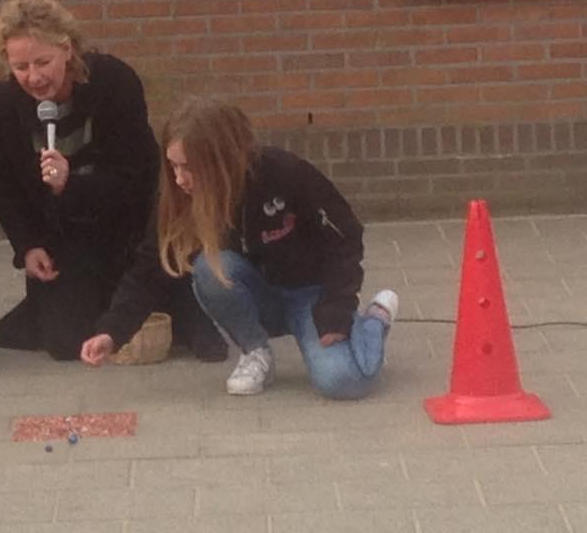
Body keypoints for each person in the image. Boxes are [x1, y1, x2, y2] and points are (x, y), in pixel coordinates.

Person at [81, 98, 399, 400]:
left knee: (342, 381)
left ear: (222, 159)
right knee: (210, 268)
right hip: (256, 296)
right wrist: (112, 331)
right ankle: (255, 351)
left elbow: (345, 238)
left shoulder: (285, 173)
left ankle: (375, 321)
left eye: (189, 167)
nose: (179, 179)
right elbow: (152, 265)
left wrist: (337, 311)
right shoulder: (180, 198)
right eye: (173, 166)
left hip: (310, 296)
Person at [0, 0, 225, 361]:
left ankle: (183, 308)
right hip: (66, 236)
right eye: (21, 67)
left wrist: (71, 184)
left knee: (156, 271)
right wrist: (27, 245)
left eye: (43, 62)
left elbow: (140, 176)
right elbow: (2, 188)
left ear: (67, 49)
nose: (34, 77)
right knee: (64, 343)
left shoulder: (114, 82)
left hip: (128, 223)